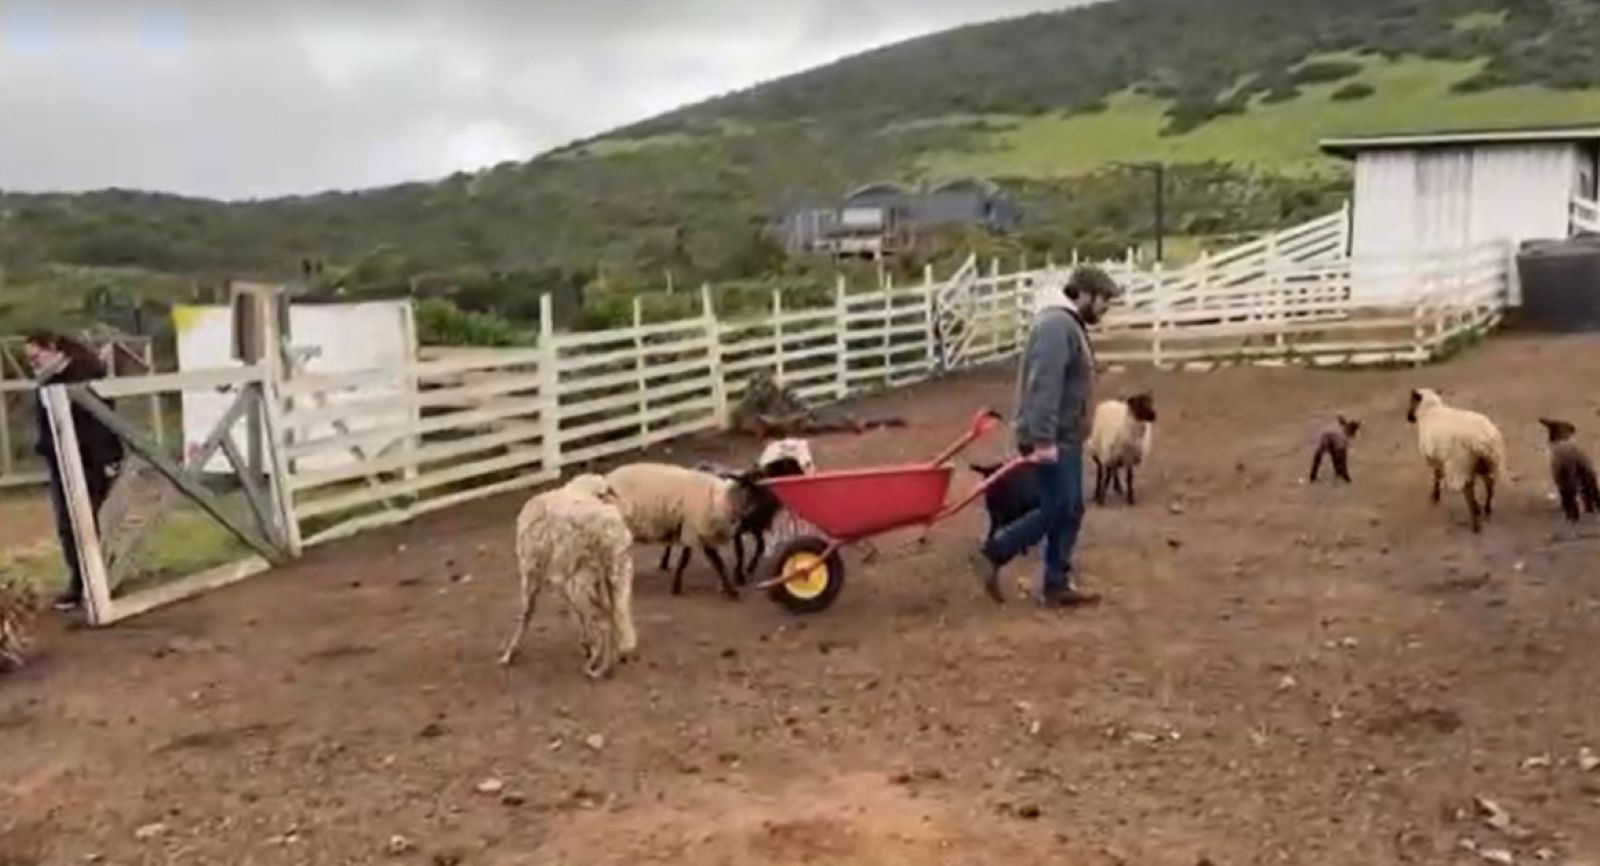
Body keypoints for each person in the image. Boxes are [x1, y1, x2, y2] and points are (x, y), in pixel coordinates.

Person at [969, 266, 1121, 608]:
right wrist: (1042, 439)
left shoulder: (1065, 324)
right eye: (1104, 300)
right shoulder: (1056, 326)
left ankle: (1056, 580)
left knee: (1070, 508)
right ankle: (995, 553)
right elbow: (1044, 384)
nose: (1106, 307)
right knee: (1058, 507)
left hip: (1062, 434)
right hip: (1052, 436)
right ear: (1083, 293)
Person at [22, 330, 124, 612]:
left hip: (90, 460)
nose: (33, 364)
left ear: (54, 349)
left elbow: (101, 424)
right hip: (60, 459)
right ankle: (81, 583)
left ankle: (99, 581)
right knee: (67, 525)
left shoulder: (87, 376)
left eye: (36, 356)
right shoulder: (48, 382)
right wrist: (44, 446)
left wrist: (108, 460)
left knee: (92, 520)